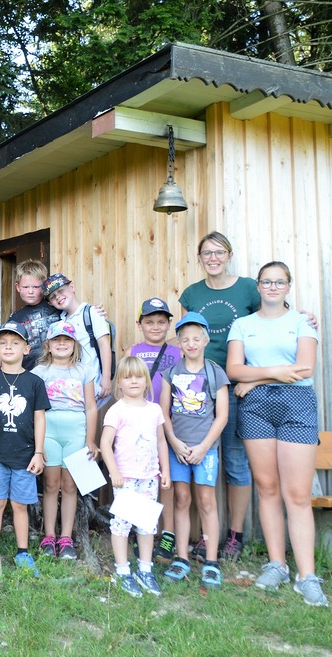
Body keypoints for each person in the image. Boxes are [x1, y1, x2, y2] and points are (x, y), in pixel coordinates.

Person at [227, 261, 327, 607]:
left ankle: (307, 576)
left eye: (279, 282)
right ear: (258, 286)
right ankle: (277, 565)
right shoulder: (243, 325)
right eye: (267, 281)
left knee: (297, 494)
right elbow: (234, 369)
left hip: (296, 404)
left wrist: (255, 378)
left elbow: (304, 369)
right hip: (256, 408)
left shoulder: (301, 322)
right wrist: (269, 374)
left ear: (288, 286)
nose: (272, 287)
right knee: (267, 488)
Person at [177, 230, 257, 562]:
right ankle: (204, 537)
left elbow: (268, 325)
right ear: (199, 258)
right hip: (197, 390)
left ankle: (235, 536)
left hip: (236, 387)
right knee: (196, 461)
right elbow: (186, 336)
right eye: (207, 253)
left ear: (229, 255)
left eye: (219, 252)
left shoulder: (248, 288)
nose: (213, 258)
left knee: (235, 462)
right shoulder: (192, 293)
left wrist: (252, 378)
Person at [0, 322, 50, 579]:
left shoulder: (34, 382)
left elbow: (39, 418)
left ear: (26, 349)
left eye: (15, 343)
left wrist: (38, 452)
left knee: (19, 504)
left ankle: (22, 553)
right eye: (3, 343)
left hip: (25, 455)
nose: (8, 347)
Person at [160, 312, 228, 589]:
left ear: (206, 340)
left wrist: (203, 447)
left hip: (205, 450)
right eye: (185, 339)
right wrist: (175, 443)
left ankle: (211, 561)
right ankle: (181, 558)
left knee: (207, 501)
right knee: (181, 499)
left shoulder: (215, 372)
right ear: (178, 342)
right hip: (178, 449)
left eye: (196, 339)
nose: (191, 344)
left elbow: (222, 416)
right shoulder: (171, 373)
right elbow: (164, 413)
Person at [100, 357, 170, 598]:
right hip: (126, 478)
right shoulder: (116, 410)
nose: (133, 381)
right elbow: (105, 444)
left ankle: (145, 570)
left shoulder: (154, 410)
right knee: (121, 524)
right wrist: (114, 472)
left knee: (147, 524)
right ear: (119, 382)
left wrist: (165, 470)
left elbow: (161, 441)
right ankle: (122, 571)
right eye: (127, 377)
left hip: (149, 476)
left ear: (146, 381)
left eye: (139, 376)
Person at [30, 321, 98, 561]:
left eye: (66, 340)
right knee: (50, 484)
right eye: (56, 340)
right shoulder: (40, 372)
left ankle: (66, 537)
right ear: (48, 345)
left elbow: (91, 407)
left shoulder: (84, 370)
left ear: (74, 344)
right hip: (49, 429)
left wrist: (90, 439)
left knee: (70, 486)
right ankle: (49, 535)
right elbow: (35, 409)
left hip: (76, 430)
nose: (61, 344)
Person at [129, 298, 181, 562]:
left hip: (170, 423)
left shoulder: (178, 352)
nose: (156, 327)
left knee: (166, 480)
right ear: (139, 325)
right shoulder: (133, 350)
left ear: (169, 324)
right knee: (140, 478)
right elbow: (123, 384)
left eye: (161, 322)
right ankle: (142, 530)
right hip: (140, 426)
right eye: (149, 322)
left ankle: (168, 533)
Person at [43, 273, 112, 400]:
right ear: (50, 303)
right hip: (70, 387)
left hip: (93, 383)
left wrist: (106, 377)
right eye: (53, 297)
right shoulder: (60, 321)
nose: (58, 297)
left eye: (61, 291)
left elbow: (104, 344)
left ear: (72, 287)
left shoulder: (91, 313)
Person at [7, 259, 61, 372]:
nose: (31, 291)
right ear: (18, 287)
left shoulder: (57, 306)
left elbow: (76, 312)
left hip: (57, 371)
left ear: (44, 287)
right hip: (29, 373)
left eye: (36, 287)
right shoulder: (15, 318)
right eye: (26, 287)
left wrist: (93, 310)